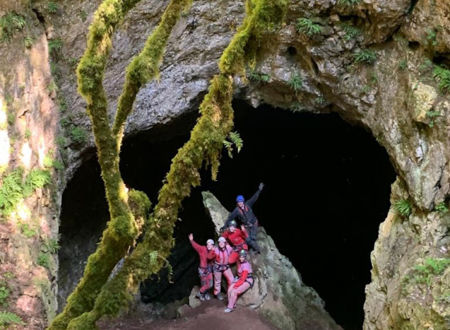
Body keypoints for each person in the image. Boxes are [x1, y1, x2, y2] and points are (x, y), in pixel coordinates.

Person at [223, 182, 264, 253]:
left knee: (253, 237)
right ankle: (253, 248)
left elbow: (254, 197)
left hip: (254, 223)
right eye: (239, 202)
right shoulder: (236, 210)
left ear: (243, 201)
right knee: (248, 239)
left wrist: (259, 190)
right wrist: (225, 226)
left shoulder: (248, 204)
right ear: (237, 203)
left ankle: (256, 249)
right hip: (246, 226)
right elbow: (230, 218)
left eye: (241, 201)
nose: (240, 203)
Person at [189, 233, 215, 301]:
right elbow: (196, 246)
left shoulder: (214, 251)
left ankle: (200, 293)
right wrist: (192, 241)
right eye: (208, 244)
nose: (209, 246)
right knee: (203, 284)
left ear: (213, 245)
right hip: (202, 270)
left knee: (210, 284)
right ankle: (203, 294)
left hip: (209, 270)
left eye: (210, 244)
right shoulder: (203, 249)